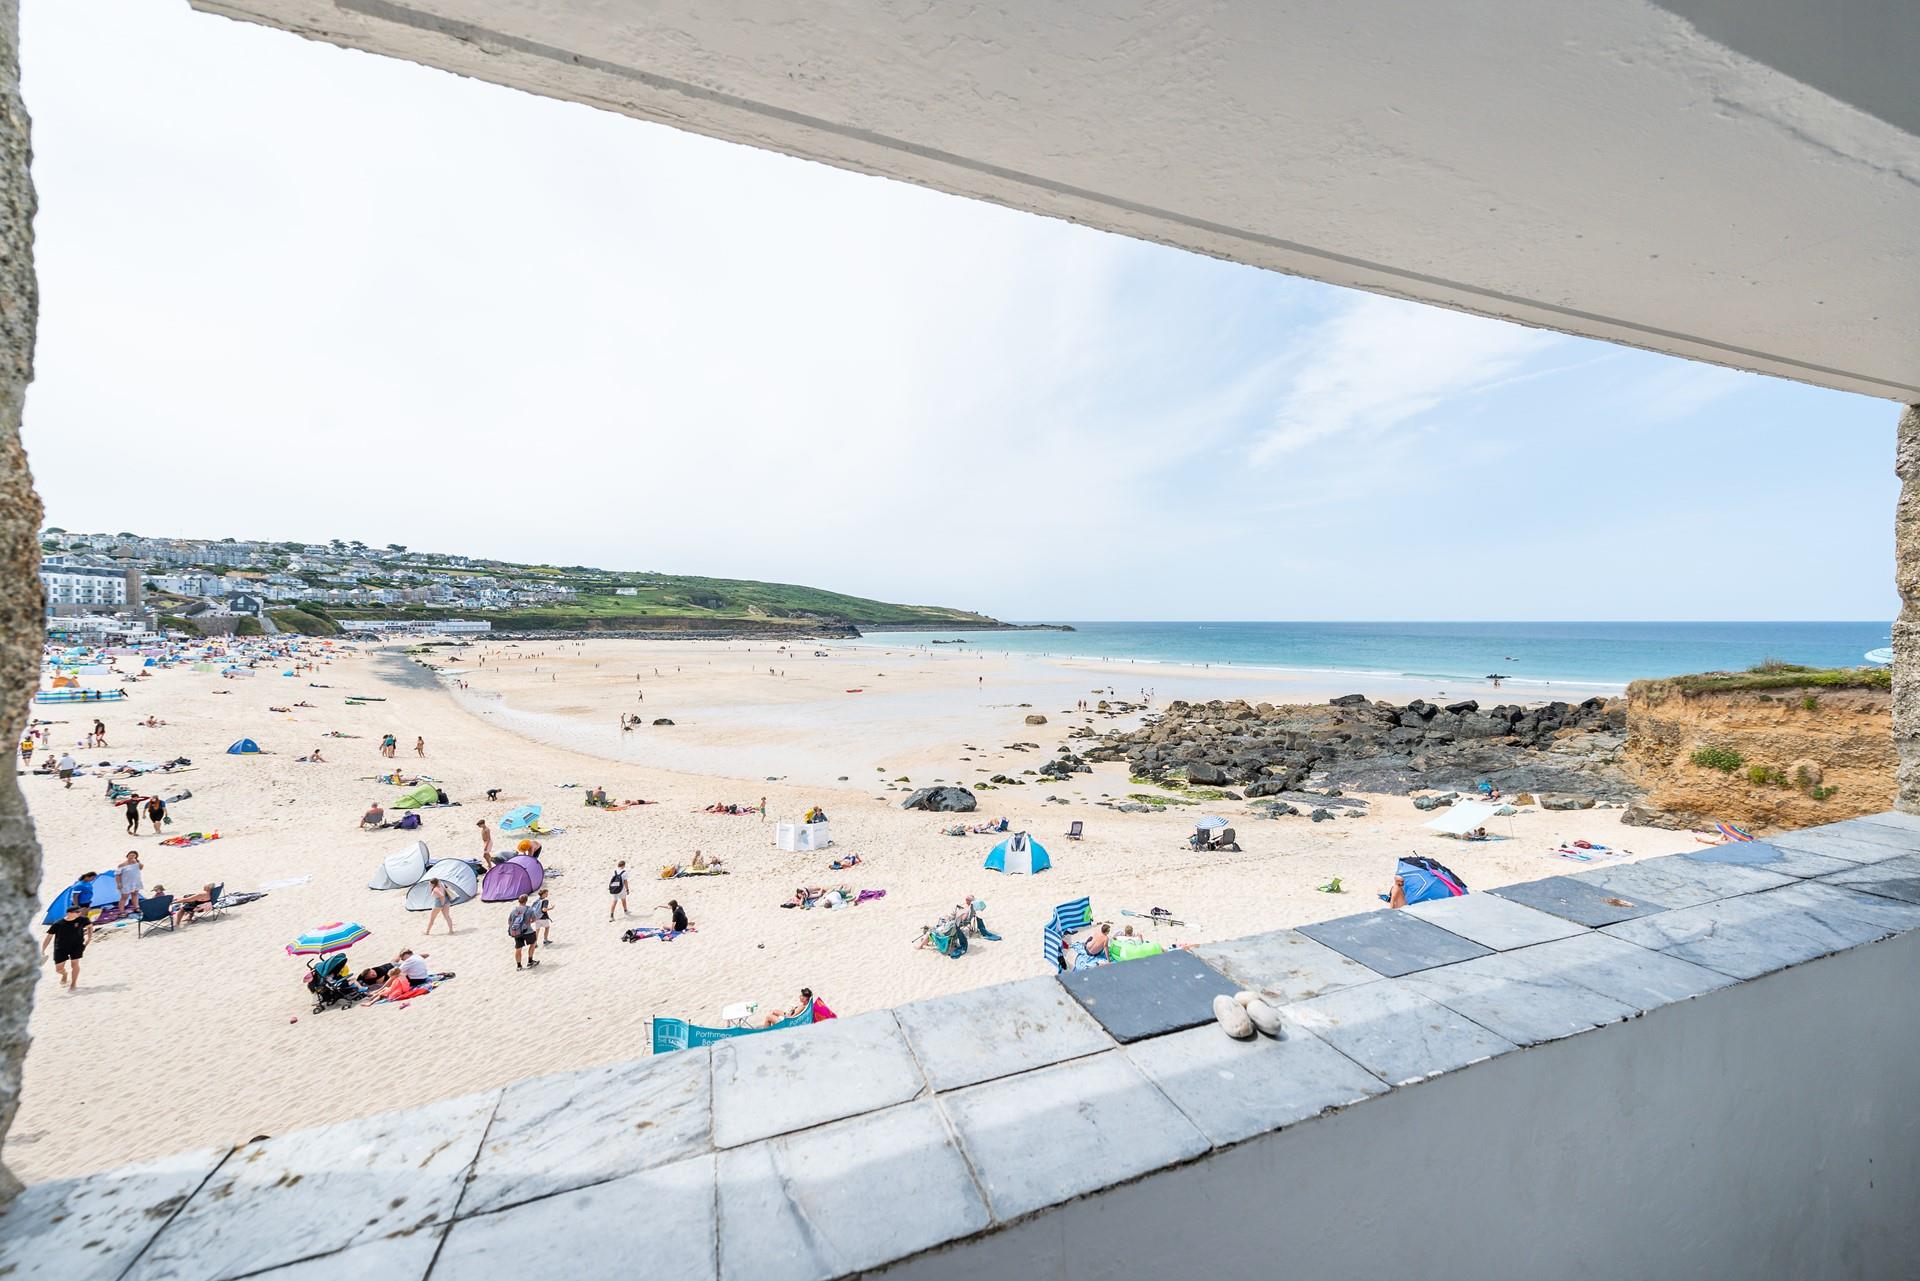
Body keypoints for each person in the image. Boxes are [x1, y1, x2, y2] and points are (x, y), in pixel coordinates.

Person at [43, 902, 92, 991]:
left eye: (80, 911)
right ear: (69, 913)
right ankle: (64, 974)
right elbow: (49, 937)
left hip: (77, 945)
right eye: (77, 912)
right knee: (59, 969)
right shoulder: (58, 923)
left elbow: (90, 926)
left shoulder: (83, 919)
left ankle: (73, 984)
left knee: (75, 964)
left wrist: (89, 938)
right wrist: (43, 950)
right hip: (60, 947)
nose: (79, 913)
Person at [508, 894, 540, 969]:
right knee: (533, 943)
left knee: (518, 948)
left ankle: (519, 966)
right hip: (528, 931)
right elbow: (534, 919)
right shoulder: (529, 909)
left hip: (517, 931)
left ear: (519, 901)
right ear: (526, 901)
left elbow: (509, 922)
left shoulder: (514, 910)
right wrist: (528, 923)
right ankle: (530, 961)